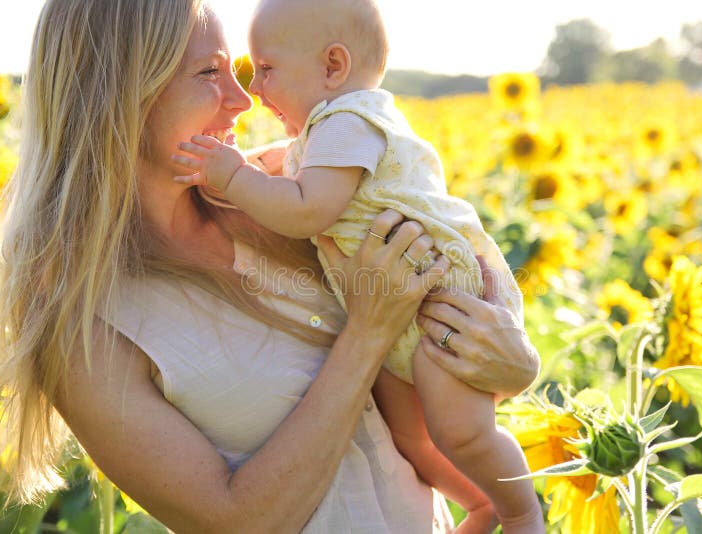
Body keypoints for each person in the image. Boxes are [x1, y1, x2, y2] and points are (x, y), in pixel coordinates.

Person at [0, 0, 544, 532]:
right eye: (210, 73)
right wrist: (367, 332)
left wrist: (509, 364)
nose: (244, 99)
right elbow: (234, 523)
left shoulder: (281, 201)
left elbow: (421, 372)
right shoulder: (81, 321)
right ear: (118, 95)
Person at [172, 0, 542, 530]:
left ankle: (521, 512)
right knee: (410, 436)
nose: (255, 90)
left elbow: (307, 209)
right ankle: (481, 504)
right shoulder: (329, 131)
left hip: (439, 300)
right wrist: (259, 165)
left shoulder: (347, 120)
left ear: (333, 66)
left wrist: (233, 177)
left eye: (266, 69)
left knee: (459, 431)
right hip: (396, 307)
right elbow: (293, 163)